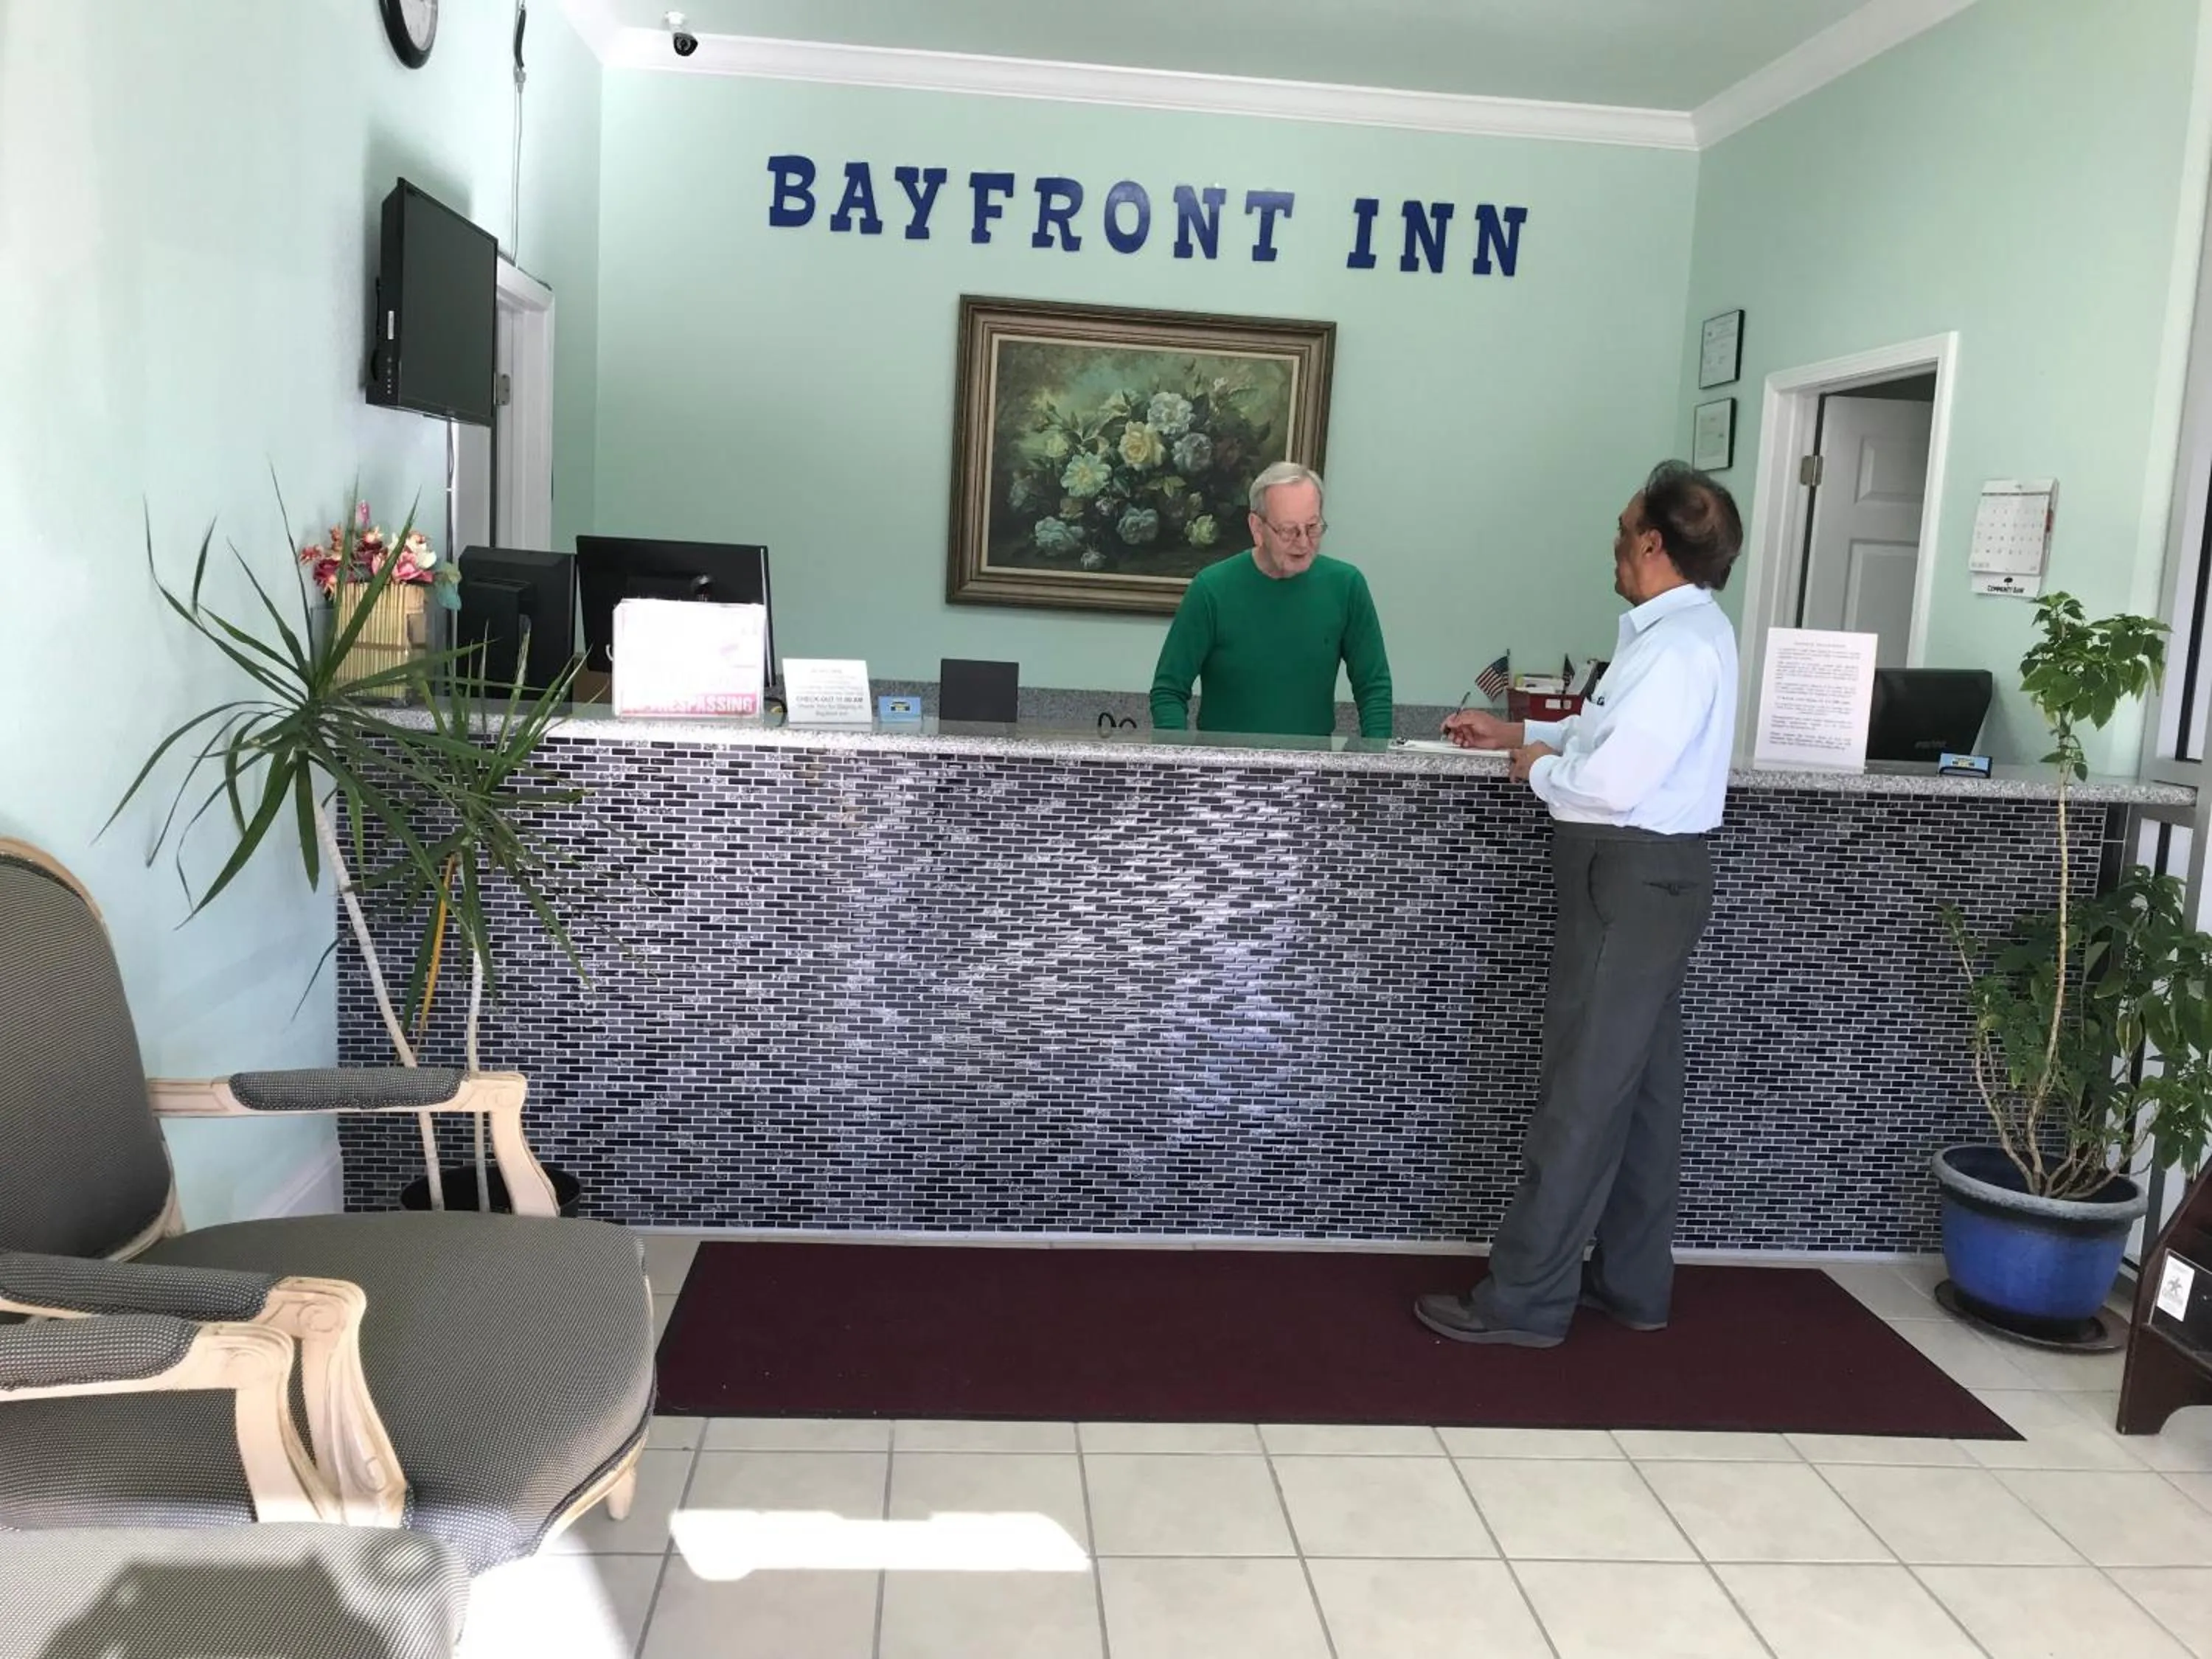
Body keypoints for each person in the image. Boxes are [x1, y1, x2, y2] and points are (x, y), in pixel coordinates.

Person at [1415, 460, 1742, 1348]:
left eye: (1626, 521)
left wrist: (1543, 771)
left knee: (1584, 1092)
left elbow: (1612, 781)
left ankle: (1524, 1301)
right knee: (1641, 1094)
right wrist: (1525, 732)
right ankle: (1633, 1283)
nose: (1614, 532)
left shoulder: (1674, 648)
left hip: (1627, 876)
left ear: (1652, 540)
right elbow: (1613, 733)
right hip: (1657, 880)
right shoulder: (1682, 632)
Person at [1149, 462, 1394, 739]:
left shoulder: (1347, 586)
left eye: (1313, 527)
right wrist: (1178, 762)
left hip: (1312, 772)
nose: (1303, 544)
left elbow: (1373, 689)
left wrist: (1377, 765)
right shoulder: (1211, 589)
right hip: (1223, 773)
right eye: (1289, 531)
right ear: (1257, 527)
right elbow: (1169, 690)